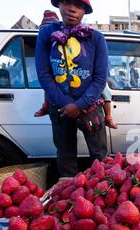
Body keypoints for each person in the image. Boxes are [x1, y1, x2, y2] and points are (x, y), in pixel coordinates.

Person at [35, 0, 109, 177]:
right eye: (67, 2)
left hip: (90, 107)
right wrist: (66, 103)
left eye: (79, 5)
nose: (72, 9)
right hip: (60, 107)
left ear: (85, 10)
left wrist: (80, 105)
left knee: (100, 156)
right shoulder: (47, 33)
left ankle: (101, 192)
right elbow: (44, 74)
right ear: (59, 4)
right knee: (65, 155)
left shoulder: (95, 37)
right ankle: (69, 196)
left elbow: (100, 78)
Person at [34, 10, 60, 117]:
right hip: (55, 92)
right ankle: (46, 106)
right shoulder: (44, 47)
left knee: (104, 90)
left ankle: (108, 115)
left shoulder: (64, 41)